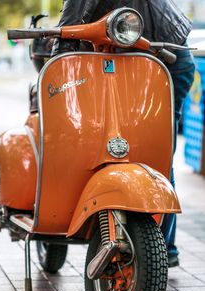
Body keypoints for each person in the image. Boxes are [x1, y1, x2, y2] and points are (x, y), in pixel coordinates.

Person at [33, 0, 195, 267]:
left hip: (158, 58)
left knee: (153, 149)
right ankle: (162, 245)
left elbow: (74, 17)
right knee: (146, 147)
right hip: (155, 54)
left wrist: (57, 58)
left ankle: (163, 247)